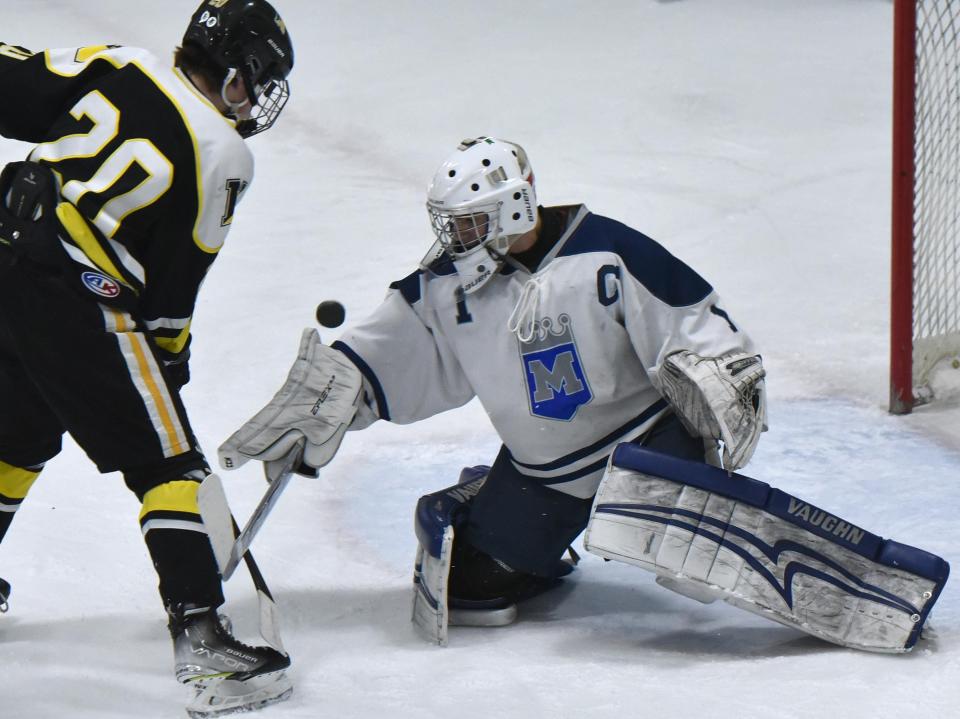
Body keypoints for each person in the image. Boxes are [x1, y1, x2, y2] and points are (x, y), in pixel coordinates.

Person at [217, 136, 769, 639]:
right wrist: (337, 387)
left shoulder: (607, 254)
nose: (455, 240)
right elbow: (389, 349)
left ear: (515, 207)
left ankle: (693, 510)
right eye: (451, 225)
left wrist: (722, 373)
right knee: (471, 587)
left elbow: (694, 317)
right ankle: (500, 506)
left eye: (469, 224)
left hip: (647, 450)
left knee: (697, 573)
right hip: (547, 477)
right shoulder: (446, 287)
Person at [0, 0, 295, 713]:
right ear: (236, 76)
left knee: (18, 430)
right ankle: (204, 643)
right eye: (258, 81)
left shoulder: (117, 64)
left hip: (6, 249)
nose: (255, 99)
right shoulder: (226, 154)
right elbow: (174, 278)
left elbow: (15, 82)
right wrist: (167, 359)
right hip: (75, 296)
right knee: (169, 461)